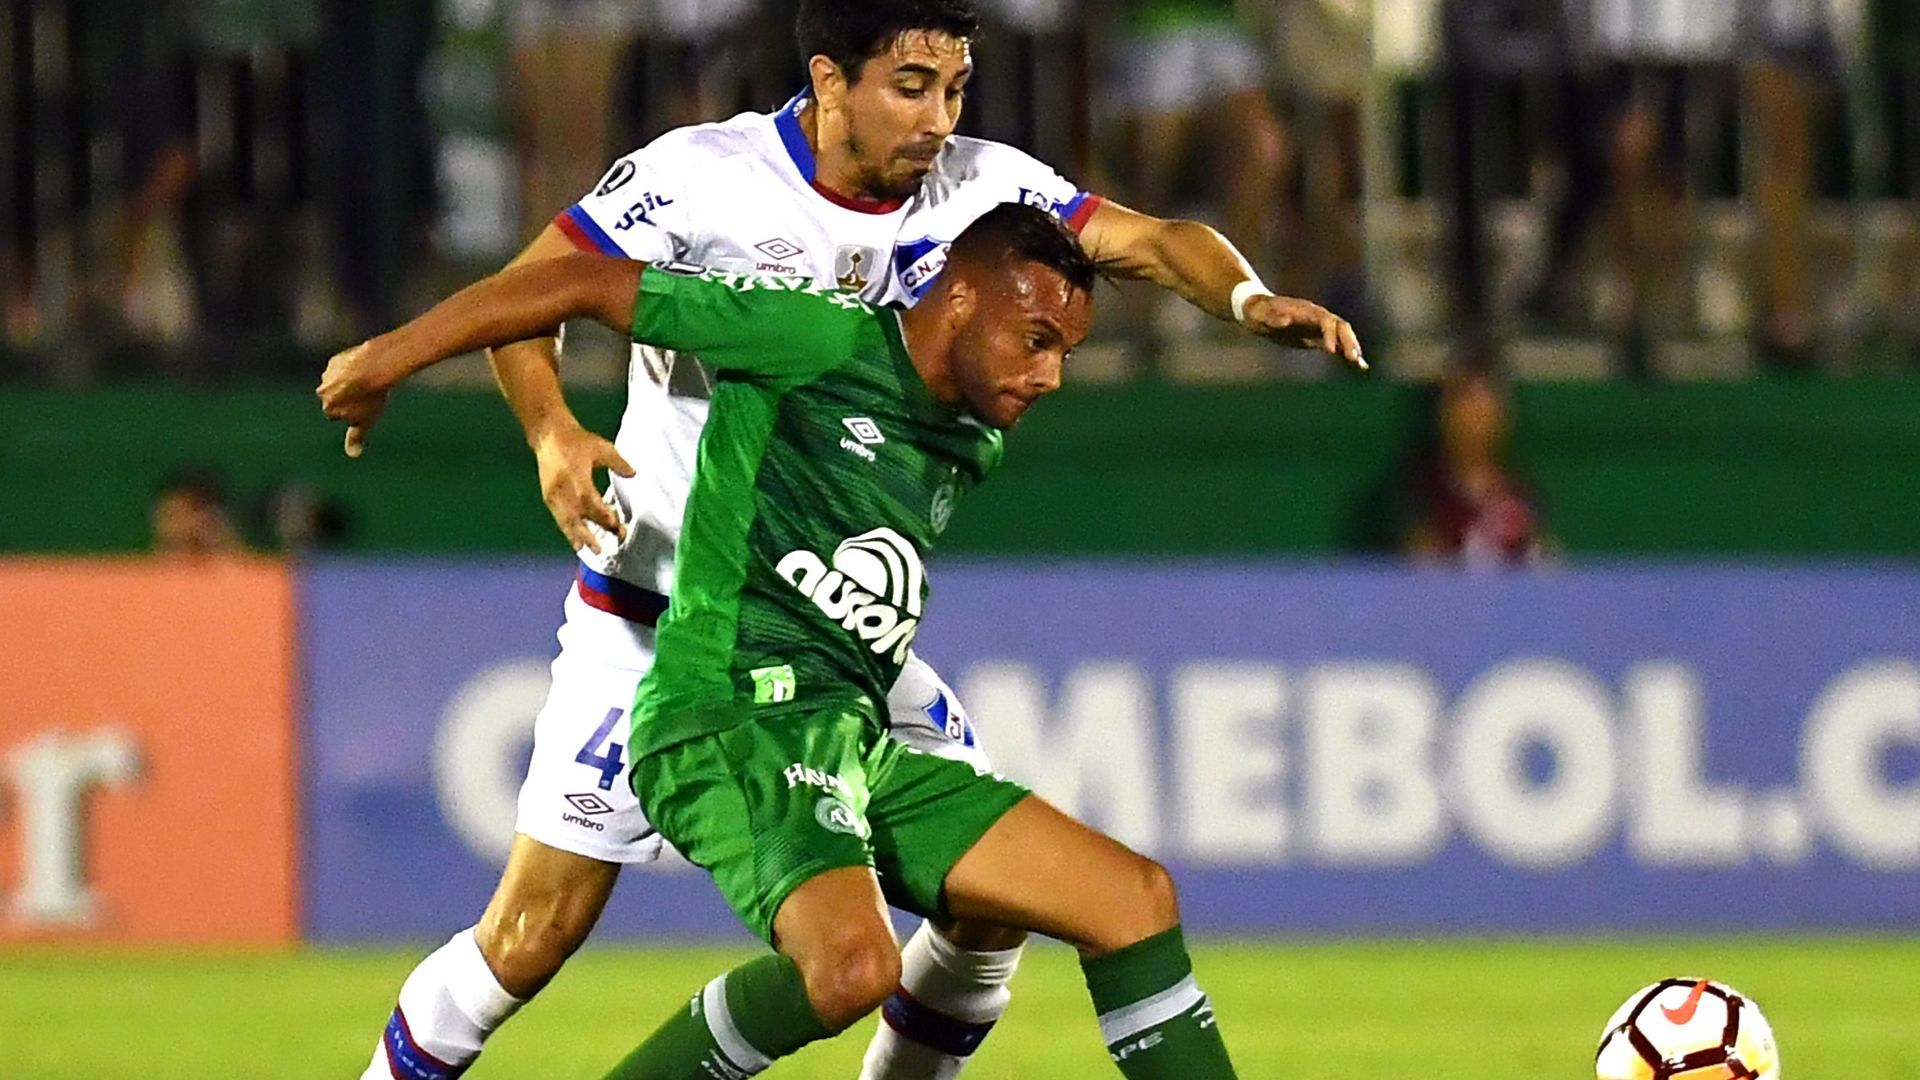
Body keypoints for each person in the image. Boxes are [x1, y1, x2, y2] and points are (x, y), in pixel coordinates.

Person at [325, 4, 1360, 1078]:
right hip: (670, 620)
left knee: (990, 905)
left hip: (836, 640)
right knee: (531, 938)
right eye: (912, 87)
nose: (938, 118)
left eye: (955, 89)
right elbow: (536, 288)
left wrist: (1245, 298)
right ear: (830, 80)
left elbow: (1148, 240)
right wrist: (552, 431)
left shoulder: (981, 190)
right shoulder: (702, 176)